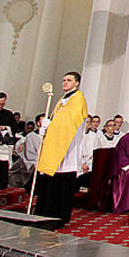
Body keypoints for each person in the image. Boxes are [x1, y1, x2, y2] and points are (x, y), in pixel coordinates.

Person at [34, 72, 89, 225]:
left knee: (61, 183)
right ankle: (44, 212)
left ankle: (57, 216)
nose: (65, 82)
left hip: (68, 148)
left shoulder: (77, 99)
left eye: (69, 80)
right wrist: (47, 125)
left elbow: (67, 123)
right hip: (56, 145)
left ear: (76, 83)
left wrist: (50, 124)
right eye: (64, 80)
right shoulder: (63, 99)